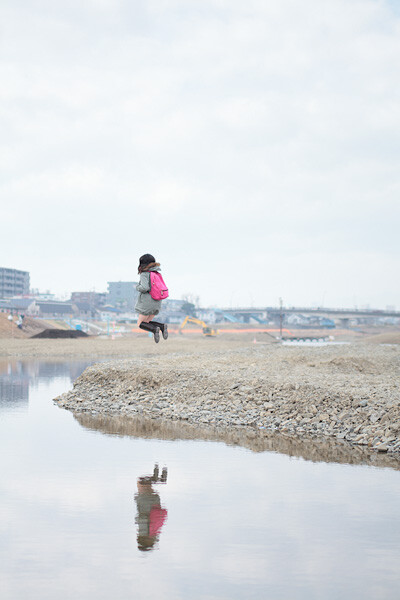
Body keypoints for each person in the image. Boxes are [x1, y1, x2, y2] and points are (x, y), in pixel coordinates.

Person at [135, 253, 168, 343]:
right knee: (147, 322)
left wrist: (137, 287)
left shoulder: (145, 274)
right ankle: (161, 327)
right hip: (157, 302)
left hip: (147, 302)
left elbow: (145, 288)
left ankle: (155, 329)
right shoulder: (157, 273)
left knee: (140, 323)